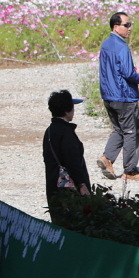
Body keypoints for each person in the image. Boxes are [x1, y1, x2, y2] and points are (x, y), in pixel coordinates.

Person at [98, 11, 139, 181]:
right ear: (116, 27)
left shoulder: (106, 44)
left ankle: (107, 158)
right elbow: (128, 73)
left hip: (108, 96)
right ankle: (130, 171)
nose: (130, 28)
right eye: (126, 25)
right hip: (123, 96)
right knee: (131, 132)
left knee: (119, 129)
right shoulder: (122, 47)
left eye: (130, 25)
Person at [42, 89, 91, 225]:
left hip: (53, 183)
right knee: (75, 221)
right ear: (67, 111)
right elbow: (73, 161)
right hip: (69, 187)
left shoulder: (50, 131)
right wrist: (82, 184)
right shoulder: (66, 132)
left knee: (59, 223)